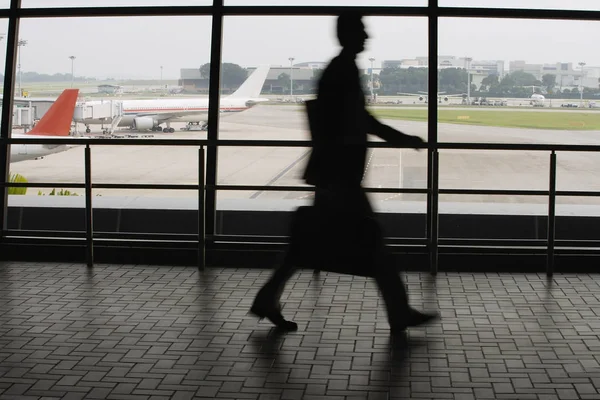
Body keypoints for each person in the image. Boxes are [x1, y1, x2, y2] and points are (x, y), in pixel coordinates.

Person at [250, 11, 439, 334]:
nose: (368, 36)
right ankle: (399, 312)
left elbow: (350, 120)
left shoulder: (339, 69)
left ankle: (267, 299)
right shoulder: (343, 71)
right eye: (362, 30)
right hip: (341, 176)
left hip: (333, 174)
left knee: (305, 245)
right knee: (373, 241)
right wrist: (402, 138)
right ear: (348, 34)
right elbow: (360, 120)